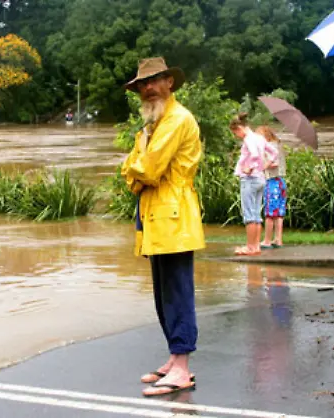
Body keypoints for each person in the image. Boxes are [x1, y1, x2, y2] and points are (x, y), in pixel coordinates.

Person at [120, 57, 205, 396]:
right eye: (142, 84)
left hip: (173, 216)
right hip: (157, 214)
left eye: (153, 81)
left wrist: (134, 167)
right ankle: (175, 356)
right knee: (163, 292)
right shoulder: (155, 124)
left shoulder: (176, 119)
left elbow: (147, 170)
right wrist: (135, 167)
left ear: (170, 82)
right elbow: (134, 168)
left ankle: (182, 367)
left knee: (178, 291)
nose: (147, 88)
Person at [231, 114, 278, 256]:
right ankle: (256, 246)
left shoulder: (249, 139)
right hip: (260, 178)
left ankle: (250, 247)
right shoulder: (259, 138)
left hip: (249, 179)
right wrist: (265, 165)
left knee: (249, 215)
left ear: (239, 128)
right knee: (256, 214)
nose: (236, 136)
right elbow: (274, 152)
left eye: (235, 133)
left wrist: (249, 167)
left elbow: (254, 155)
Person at [257, 126, 287, 249]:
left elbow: (274, 163)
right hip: (281, 182)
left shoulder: (270, 147)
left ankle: (267, 240)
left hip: (272, 182)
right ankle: (278, 239)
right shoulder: (277, 145)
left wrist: (262, 166)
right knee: (279, 213)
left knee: (270, 214)